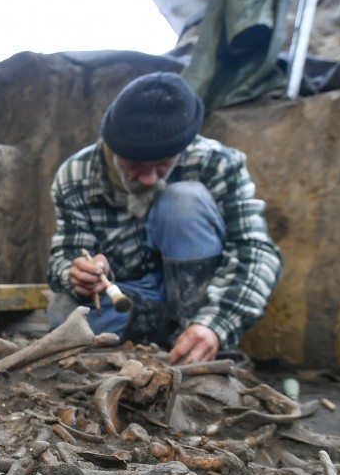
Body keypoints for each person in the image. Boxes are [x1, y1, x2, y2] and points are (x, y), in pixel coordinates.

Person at [45, 71, 282, 364]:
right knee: (63, 315)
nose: (148, 178)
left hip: (201, 303)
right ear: (112, 146)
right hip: (132, 300)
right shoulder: (76, 176)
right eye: (134, 164)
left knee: (183, 201)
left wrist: (215, 324)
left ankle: (196, 341)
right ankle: (159, 344)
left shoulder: (217, 163)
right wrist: (76, 274)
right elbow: (64, 257)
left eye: (162, 163)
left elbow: (256, 252)